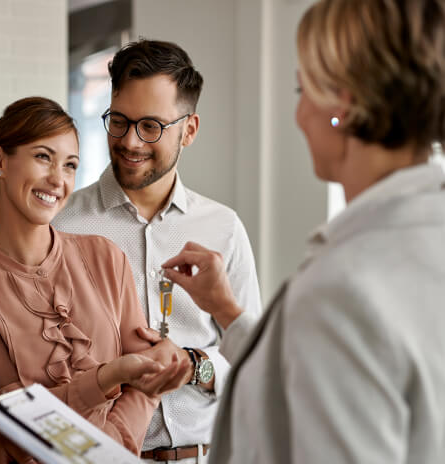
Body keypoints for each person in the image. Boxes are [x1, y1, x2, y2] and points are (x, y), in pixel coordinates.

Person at [162, 0, 445, 463]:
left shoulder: (345, 287)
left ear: (344, 105)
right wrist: (228, 313)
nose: (299, 116)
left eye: (302, 90)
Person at [0, 40, 262, 463]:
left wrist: (194, 365)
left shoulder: (224, 229)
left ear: (189, 130)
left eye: (151, 126)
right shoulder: (59, 225)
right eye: (119, 122)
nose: (131, 141)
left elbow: (253, 359)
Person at [0, 96, 190, 463]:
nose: (58, 179)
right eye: (43, 157)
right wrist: (109, 376)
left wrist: (108, 450)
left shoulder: (106, 257)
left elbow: (146, 384)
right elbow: (17, 421)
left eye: (70, 165)